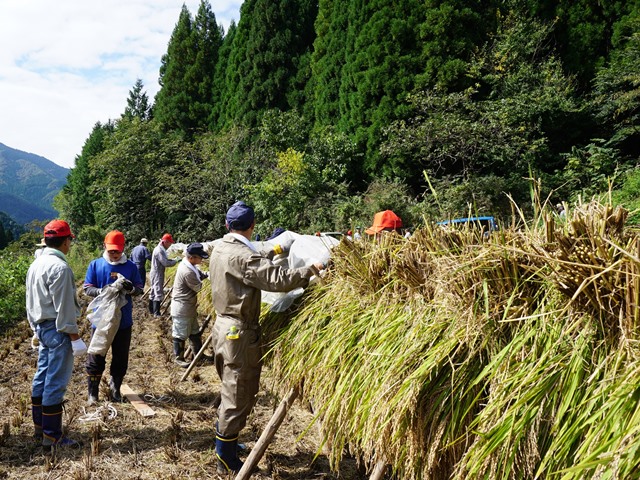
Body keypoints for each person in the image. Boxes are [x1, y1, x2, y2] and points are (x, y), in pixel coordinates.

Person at [209, 201, 324, 474]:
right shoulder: (243, 257)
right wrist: (311, 270)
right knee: (238, 392)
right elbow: (277, 280)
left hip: (223, 327)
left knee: (230, 387)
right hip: (239, 332)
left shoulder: (220, 248)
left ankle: (228, 441)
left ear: (227, 225)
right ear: (252, 226)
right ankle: (225, 456)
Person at [26, 219, 86, 448]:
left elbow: (30, 301)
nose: (70, 244)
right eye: (70, 240)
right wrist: (75, 337)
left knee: (41, 375)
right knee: (56, 380)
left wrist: (35, 329)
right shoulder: (60, 268)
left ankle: (40, 426)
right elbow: (64, 308)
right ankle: (52, 435)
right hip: (58, 329)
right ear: (65, 241)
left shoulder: (36, 264)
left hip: (41, 327)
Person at [83, 230, 143, 404]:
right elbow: (87, 287)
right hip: (101, 320)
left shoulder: (130, 267)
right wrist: (103, 291)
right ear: (105, 247)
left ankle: (115, 387)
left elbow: (139, 288)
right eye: (111, 251)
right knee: (96, 355)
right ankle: (92, 393)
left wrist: (131, 288)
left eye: (117, 251)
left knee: (120, 356)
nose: (114, 254)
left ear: (123, 248)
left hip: (123, 321)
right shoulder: (96, 265)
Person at [171, 242, 210, 368]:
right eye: (200, 257)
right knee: (180, 334)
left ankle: (199, 355)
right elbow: (198, 286)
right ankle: (179, 358)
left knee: (194, 332)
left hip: (189, 307)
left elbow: (199, 274)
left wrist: (206, 274)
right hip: (182, 307)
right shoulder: (187, 270)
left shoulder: (189, 265)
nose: (201, 260)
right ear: (192, 257)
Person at [149, 233, 179, 317]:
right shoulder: (159, 250)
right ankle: (156, 313)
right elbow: (165, 262)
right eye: (169, 243)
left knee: (153, 290)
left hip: (156, 271)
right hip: (157, 273)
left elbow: (165, 260)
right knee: (157, 291)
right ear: (165, 242)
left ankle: (151, 310)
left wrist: (172, 260)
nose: (170, 245)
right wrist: (175, 261)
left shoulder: (160, 249)